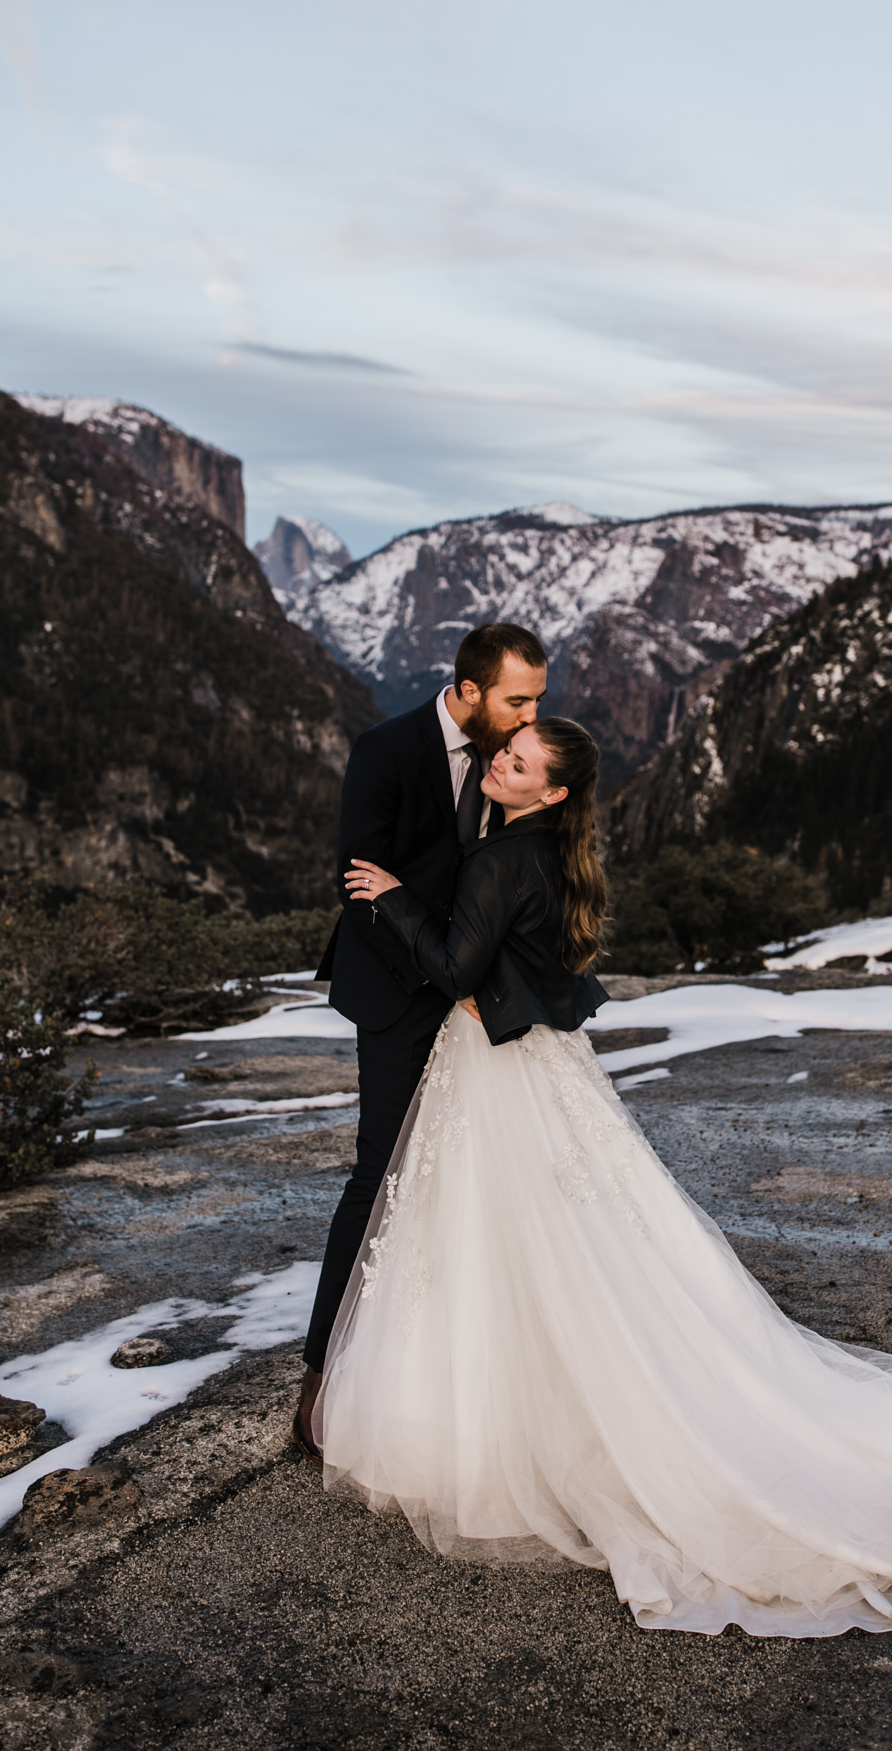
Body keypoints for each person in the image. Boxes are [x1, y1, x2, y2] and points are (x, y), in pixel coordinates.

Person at [310, 714, 892, 1639]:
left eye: (518, 762)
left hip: (493, 1073)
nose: (499, 763)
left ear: (552, 792)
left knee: (496, 1236)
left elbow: (455, 967)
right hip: (545, 1067)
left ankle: (497, 1430)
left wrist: (395, 897)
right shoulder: (555, 856)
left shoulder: (498, 861)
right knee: (575, 1237)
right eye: (502, 752)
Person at [292, 622, 549, 1459]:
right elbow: (360, 878)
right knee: (382, 1174)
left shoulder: (518, 760)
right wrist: (438, 966)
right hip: (401, 992)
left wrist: (483, 976)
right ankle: (323, 1375)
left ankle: (470, 1371)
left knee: (480, 1175)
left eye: (536, 700)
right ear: (469, 691)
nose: (528, 716)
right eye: (517, 699)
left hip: (475, 994)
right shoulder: (385, 748)